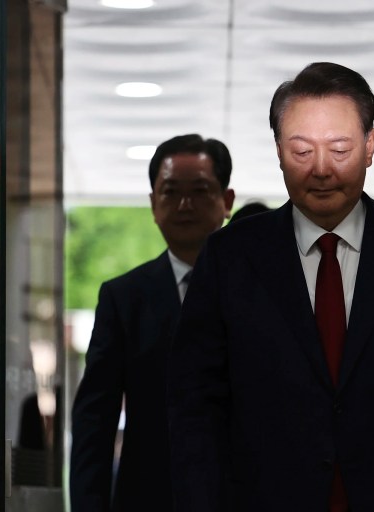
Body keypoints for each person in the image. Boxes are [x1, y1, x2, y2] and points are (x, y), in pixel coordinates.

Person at [167, 62, 374, 512]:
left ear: (370, 146)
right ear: (278, 150)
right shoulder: (230, 257)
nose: (322, 170)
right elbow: (195, 408)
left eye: (340, 149)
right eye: (302, 151)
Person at [70, 134, 235, 512]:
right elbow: (95, 420)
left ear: (226, 201)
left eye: (200, 191)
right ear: (152, 204)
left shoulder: (258, 291)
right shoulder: (124, 299)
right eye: (170, 192)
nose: (184, 205)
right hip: (148, 497)